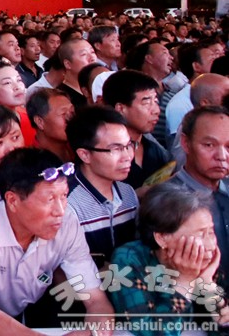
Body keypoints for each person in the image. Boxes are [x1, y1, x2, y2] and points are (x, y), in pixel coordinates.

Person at [0, 148, 114, 334]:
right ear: (12, 200)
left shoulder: (66, 223)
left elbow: (96, 299)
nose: (60, 211)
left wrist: (94, 332)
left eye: (64, 196)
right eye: (50, 199)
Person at [109, 185, 229, 336]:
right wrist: (184, 281)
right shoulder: (128, 259)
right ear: (162, 238)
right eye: (200, 235)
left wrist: (208, 286)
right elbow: (151, 332)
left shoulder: (206, 257)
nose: (211, 245)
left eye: (210, 232)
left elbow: (218, 326)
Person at [65, 105, 138, 268]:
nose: (127, 156)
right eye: (116, 149)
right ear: (85, 155)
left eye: (128, 146)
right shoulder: (68, 203)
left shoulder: (128, 193)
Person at [165, 106, 229, 291]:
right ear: (186, 143)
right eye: (209, 145)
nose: (222, 156)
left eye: (228, 147)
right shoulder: (165, 200)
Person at [102, 69, 173, 188]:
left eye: (156, 101)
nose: (156, 110)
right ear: (121, 108)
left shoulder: (155, 150)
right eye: (146, 103)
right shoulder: (103, 153)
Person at [26, 88, 75, 161]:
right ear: (40, 122)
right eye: (63, 113)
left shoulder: (78, 145)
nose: (71, 118)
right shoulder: (33, 163)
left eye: (72, 112)